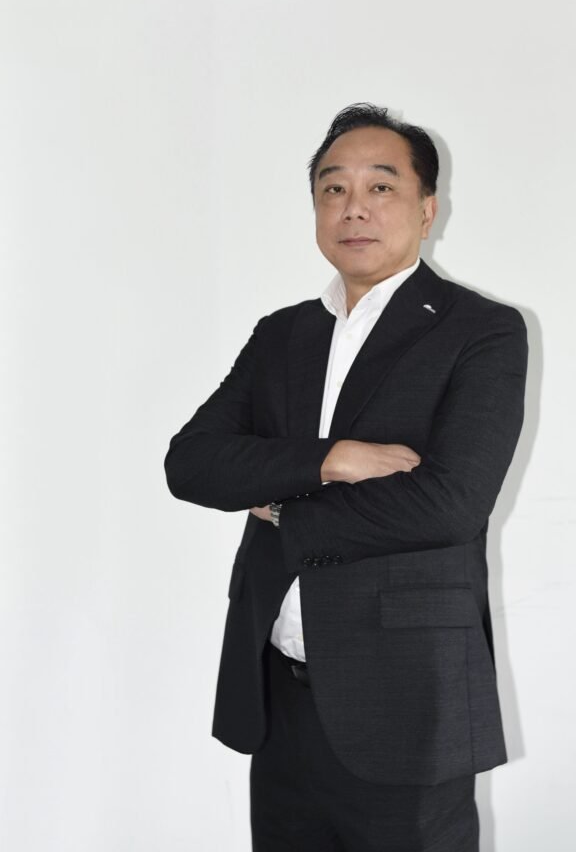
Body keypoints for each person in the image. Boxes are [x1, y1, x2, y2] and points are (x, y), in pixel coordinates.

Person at [163, 103, 528, 852]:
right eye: (333, 189)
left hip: (408, 696)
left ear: (427, 210)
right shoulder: (282, 334)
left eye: (380, 186)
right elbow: (192, 462)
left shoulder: (481, 331)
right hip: (278, 693)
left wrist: (284, 508)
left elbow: (450, 504)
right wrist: (331, 458)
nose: (353, 207)